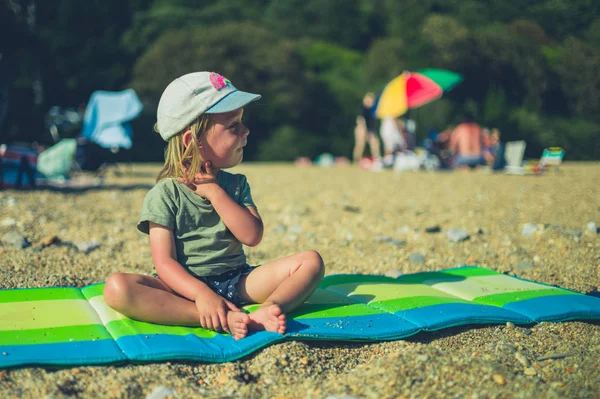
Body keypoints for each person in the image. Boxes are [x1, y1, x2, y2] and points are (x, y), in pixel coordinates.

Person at [103, 72, 325, 340]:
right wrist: (202, 296)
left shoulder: (236, 185)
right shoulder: (165, 194)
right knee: (117, 288)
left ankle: (266, 311)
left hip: (238, 281)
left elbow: (252, 236)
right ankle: (212, 315)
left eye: (242, 121)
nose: (246, 131)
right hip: (183, 289)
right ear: (192, 142)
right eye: (234, 125)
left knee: (311, 262)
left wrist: (215, 193)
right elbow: (165, 263)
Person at [352, 92, 381, 166]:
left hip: (370, 129)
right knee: (360, 144)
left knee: (374, 143)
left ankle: (376, 160)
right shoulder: (362, 108)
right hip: (362, 128)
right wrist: (365, 130)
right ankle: (356, 161)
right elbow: (360, 120)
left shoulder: (373, 110)